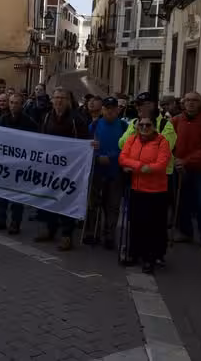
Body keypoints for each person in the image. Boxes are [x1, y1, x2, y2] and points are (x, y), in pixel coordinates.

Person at [35, 87, 90, 251]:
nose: (58, 101)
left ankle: (67, 234)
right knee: (50, 197)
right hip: (50, 166)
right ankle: (50, 229)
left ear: (67, 101)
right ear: (52, 100)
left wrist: (91, 146)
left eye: (62, 98)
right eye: (56, 97)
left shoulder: (76, 119)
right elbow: (40, 138)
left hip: (70, 168)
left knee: (66, 199)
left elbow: (85, 142)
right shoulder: (46, 117)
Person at [119, 115, 172, 274]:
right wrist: (140, 166)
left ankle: (151, 257)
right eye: (140, 125)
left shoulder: (162, 141)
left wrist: (145, 168)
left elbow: (161, 164)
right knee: (136, 222)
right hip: (136, 188)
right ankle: (135, 253)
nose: (143, 128)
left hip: (156, 191)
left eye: (147, 125)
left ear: (154, 127)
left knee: (153, 226)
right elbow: (123, 158)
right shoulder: (132, 140)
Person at [171, 91, 201, 255]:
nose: (191, 103)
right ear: (183, 103)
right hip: (179, 168)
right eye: (188, 100)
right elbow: (167, 142)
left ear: (200, 103)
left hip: (198, 169)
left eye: (195, 100)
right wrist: (175, 160)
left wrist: (186, 161)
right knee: (181, 201)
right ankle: (186, 232)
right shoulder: (176, 120)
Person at [0, 92, 37, 233]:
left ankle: (15, 223)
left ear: (21, 105)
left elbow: (34, 143)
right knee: (1, 194)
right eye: (11, 102)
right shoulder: (3, 119)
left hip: (20, 165)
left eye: (16, 103)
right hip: (5, 164)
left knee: (17, 195)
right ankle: (0, 220)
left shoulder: (29, 122)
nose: (13, 105)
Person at [85, 97, 128, 249]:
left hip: (115, 172)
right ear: (102, 109)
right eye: (106, 107)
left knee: (113, 205)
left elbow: (127, 149)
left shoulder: (124, 126)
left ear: (118, 109)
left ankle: (109, 235)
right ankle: (92, 232)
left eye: (112, 107)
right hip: (97, 170)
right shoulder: (94, 125)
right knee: (93, 204)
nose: (109, 110)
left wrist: (110, 157)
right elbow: (87, 147)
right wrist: (97, 157)